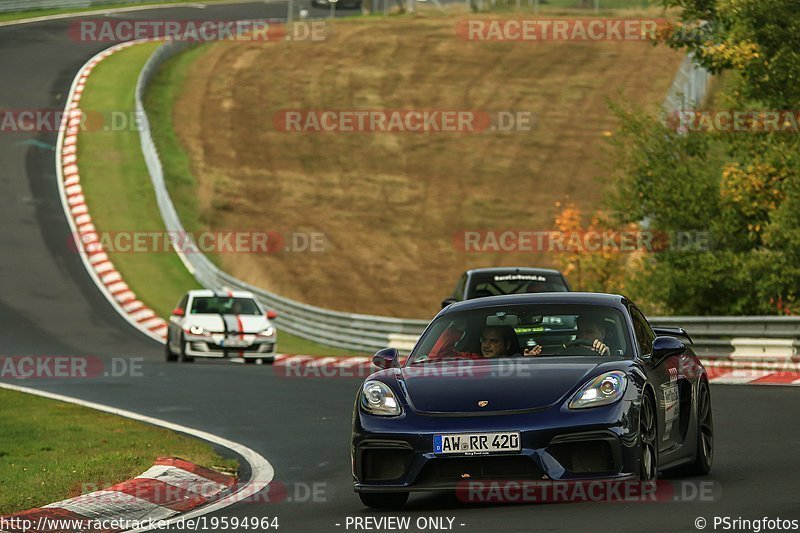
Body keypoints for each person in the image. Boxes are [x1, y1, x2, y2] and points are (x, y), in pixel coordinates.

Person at [428, 325, 519, 360]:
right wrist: (458, 327)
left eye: (493, 341)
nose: (486, 345)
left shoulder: (520, 362)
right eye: (483, 340)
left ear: (507, 345)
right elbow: (438, 354)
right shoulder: (473, 360)